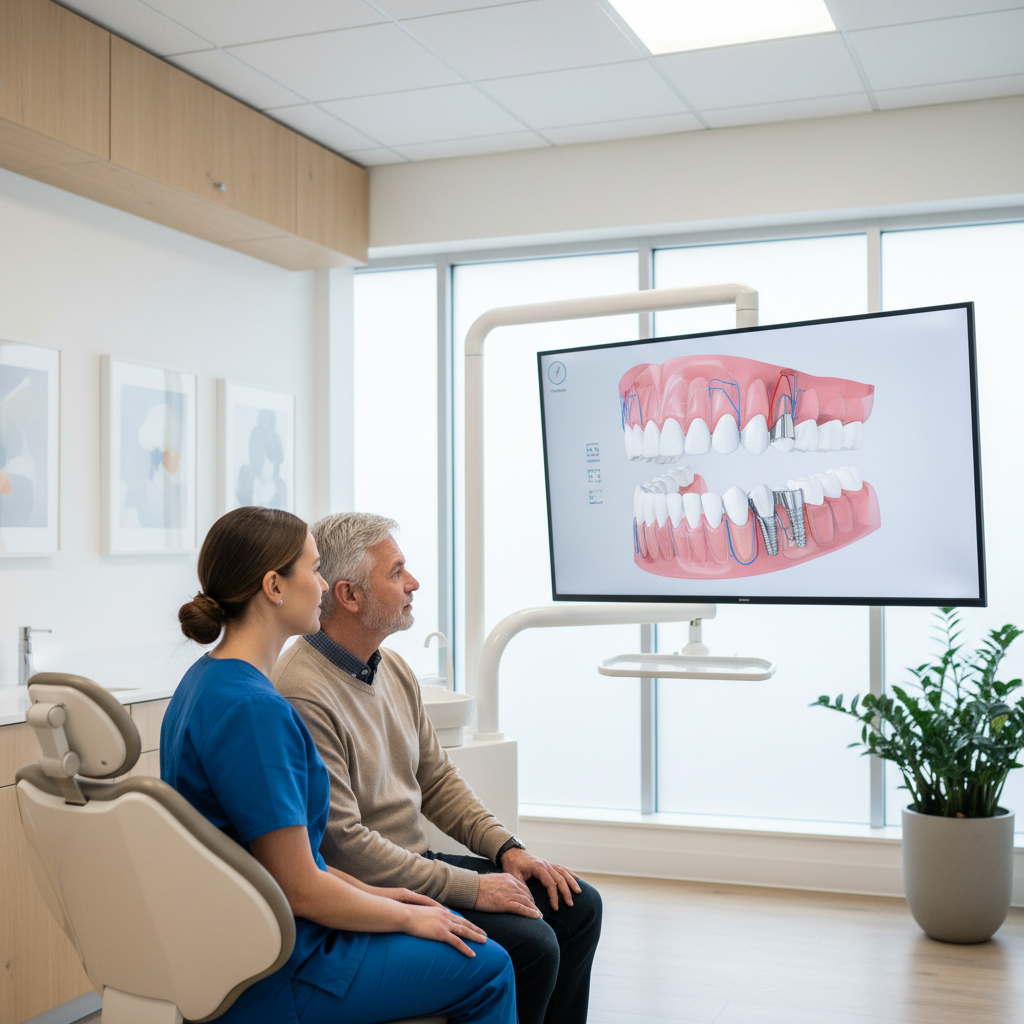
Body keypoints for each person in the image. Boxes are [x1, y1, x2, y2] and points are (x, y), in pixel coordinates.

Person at [161, 506, 516, 1024]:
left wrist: (382, 894)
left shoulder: (204, 682)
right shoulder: (255, 711)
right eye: (313, 569)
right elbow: (300, 886)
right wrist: (407, 918)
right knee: (490, 967)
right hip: (280, 967)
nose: (325, 585)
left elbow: (286, 864)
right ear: (274, 587)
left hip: (246, 942)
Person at [271, 512, 603, 1024]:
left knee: (578, 907)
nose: (414, 582)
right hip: (371, 889)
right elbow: (345, 845)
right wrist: (473, 887)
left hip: (417, 863)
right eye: (396, 571)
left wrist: (508, 851)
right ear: (349, 595)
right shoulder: (302, 692)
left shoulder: (392, 667)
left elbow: (437, 779)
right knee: (533, 944)